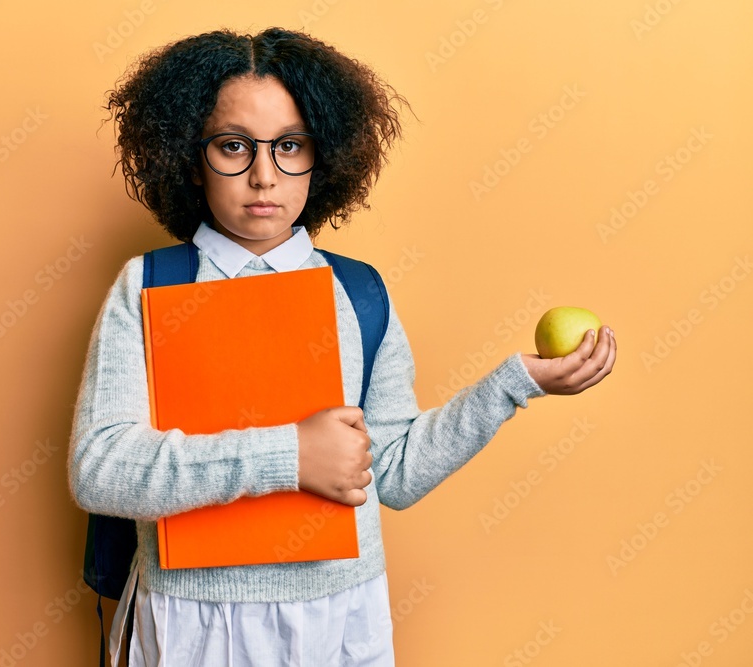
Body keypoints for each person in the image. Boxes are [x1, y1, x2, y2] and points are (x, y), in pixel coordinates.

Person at [67, 26, 616, 666]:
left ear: (322, 157)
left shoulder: (358, 292)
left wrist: (517, 382)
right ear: (192, 159)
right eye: (233, 146)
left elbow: (397, 474)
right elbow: (100, 469)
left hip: (341, 620)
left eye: (290, 146)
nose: (263, 176)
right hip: (189, 622)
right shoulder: (148, 285)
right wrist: (290, 455)